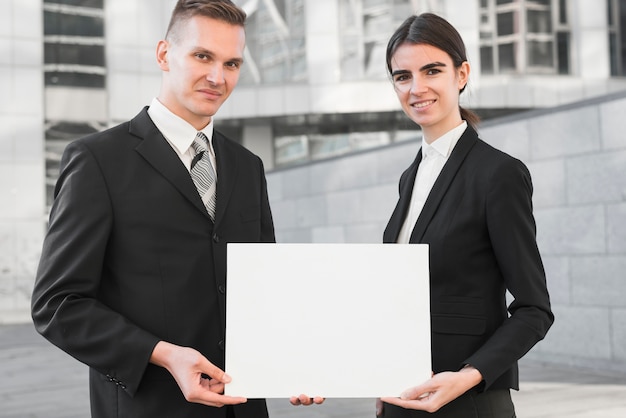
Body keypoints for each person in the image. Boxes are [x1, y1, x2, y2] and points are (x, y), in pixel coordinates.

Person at [31, 1, 275, 417]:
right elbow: (58, 303)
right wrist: (162, 354)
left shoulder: (247, 166)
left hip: (242, 407)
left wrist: (304, 361)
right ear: (164, 54)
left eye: (232, 63)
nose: (218, 77)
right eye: (203, 56)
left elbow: (267, 287)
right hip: (150, 406)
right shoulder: (97, 160)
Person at [378, 13, 554, 417]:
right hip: (404, 400)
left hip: (468, 403)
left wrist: (468, 374)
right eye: (402, 76)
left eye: (432, 70)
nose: (416, 88)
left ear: (462, 74)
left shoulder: (498, 174)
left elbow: (534, 309)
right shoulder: (410, 177)